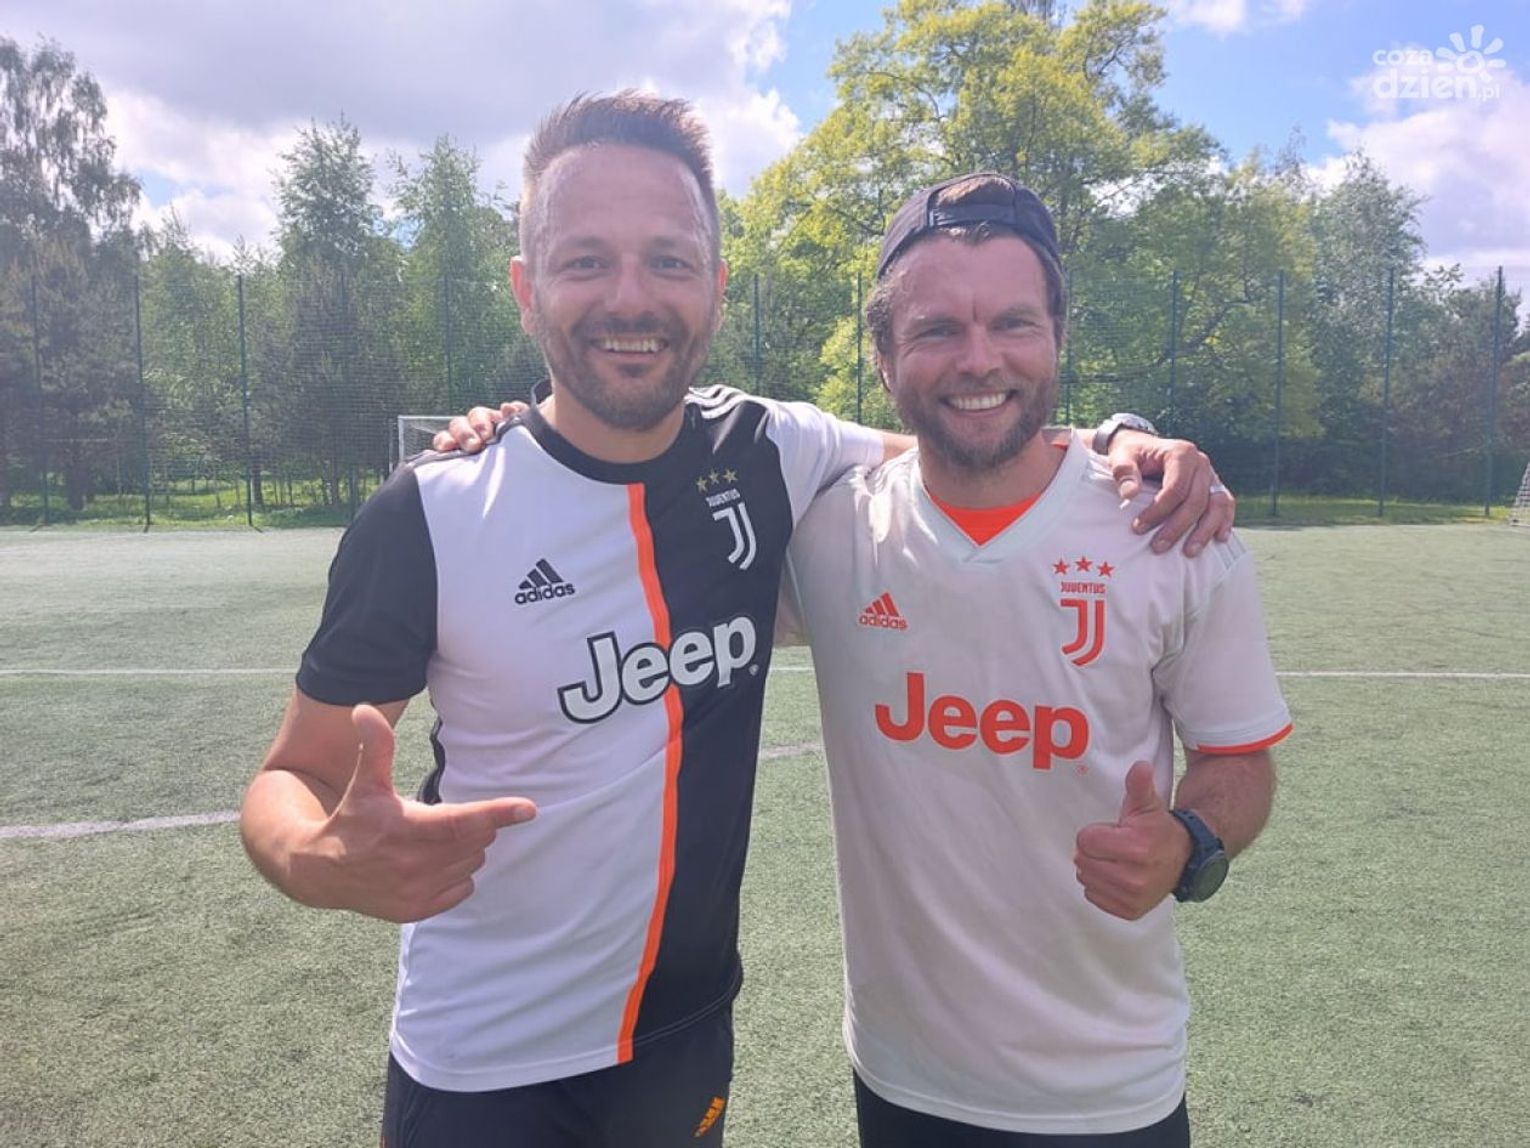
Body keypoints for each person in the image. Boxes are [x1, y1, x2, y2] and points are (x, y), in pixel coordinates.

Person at [240, 92, 1229, 1148]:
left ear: (715, 285)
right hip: (482, 1061)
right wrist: (314, 857)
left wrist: (1120, 440)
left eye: (669, 260)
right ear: (528, 290)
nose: (631, 298)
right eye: (586, 261)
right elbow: (290, 773)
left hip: (684, 1042)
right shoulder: (431, 512)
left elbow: (972, 443)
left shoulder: (770, 450)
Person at [774, 173, 1291, 1146]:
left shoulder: (1171, 533)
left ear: (1057, 336)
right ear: (884, 357)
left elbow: (1240, 758)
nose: (979, 359)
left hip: (1110, 1088)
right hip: (900, 1077)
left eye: (1012, 322)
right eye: (936, 329)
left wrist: (1190, 842)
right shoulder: (828, 535)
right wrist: (509, 429)